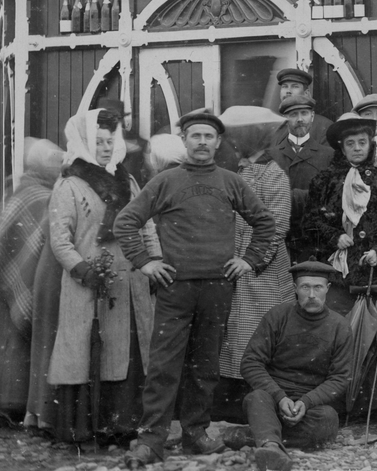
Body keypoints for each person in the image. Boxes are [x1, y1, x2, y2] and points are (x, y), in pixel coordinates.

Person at [116, 110, 277, 466]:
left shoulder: (231, 181)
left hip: (218, 287)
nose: (202, 143)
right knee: (164, 365)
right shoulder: (164, 181)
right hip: (175, 287)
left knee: (206, 365)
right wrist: (146, 262)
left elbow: (265, 223)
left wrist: (248, 259)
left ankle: (196, 434)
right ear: (185, 141)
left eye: (208, 137)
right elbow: (126, 221)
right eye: (195, 136)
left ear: (218, 142)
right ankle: (151, 440)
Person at [41, 109, 155, 445]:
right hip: (90, 285)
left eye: (111, 140)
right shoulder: (70, 184)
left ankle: (125, 425)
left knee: (129, 352)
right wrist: (84, 271)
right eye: (99, 141)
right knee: (88, 350)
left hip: (130, 281)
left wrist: (154, 262)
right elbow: (60, 240)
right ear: (86, 142)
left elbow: (146, 227)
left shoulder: (128, 181)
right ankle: (86, 426)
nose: (106, 148)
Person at [0, 139, 63, 418]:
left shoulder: (25, 189)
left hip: (6, 282)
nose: (57, 166)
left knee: (8, 348)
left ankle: (10, 408)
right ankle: (13, 406)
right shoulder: (39, 196)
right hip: (20, 282)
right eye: (53, 162)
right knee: (14, 348)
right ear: (41, 165)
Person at [216, 107, 295, 420]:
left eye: (239, 136)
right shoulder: (240, 170)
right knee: (234, 333)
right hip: (237, 265)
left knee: (258, 333)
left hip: (264, 267)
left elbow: (278, 225)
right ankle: (233, 405)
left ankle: (260, 401)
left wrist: (252, 261)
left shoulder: (272, 173)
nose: (234, 142)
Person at [240, 261, 353, 471]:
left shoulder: (339, 326)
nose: (311, 294)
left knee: (328, 420)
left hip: (310, 404)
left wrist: (307, 402)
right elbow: (250, 362)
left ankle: (258, 435)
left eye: (318, 287)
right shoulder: (278, 316)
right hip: (272, 397)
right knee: (256, 399)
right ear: (295, 289)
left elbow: (340, 377)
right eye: (305, 287)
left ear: (327, 289)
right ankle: (272, 449)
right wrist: (279, 396)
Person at [299, 117, 377, 316]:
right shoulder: (324, 182)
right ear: (342, 149)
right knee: (340, 333)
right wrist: (334, 237)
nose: (357, 148)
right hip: (338, 277)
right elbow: (310, 222)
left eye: (362, 142)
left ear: (371, 144)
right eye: (350, 144)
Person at [269, 94, 334, 261]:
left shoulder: (328, 155)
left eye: (304, 113)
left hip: (314, 239)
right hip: (279, 239)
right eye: (293, 115)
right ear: (285, 119)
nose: (300, 119)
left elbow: (331, 198)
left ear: (312, 116)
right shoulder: (271, 155)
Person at [272, 68, 333, 144]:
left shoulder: (323, 125)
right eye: (284, 86)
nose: (288, 91)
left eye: (295, 86)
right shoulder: (274, 124)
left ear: (306, 93)